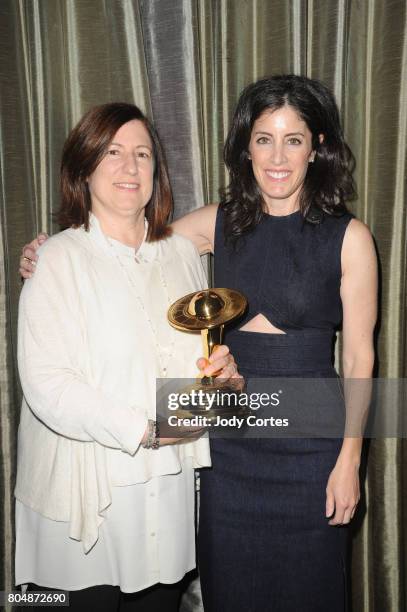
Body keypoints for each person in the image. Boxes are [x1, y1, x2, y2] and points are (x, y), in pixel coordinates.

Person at [20, 75, 377, 612]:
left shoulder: (350, 237)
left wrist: (350, 462)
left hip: (313, 450)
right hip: (228, 450)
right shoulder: (215, 223)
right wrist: (48, 249)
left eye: (293, 139)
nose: (277, 156)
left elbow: (358, 359)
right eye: (263, 138)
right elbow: (129, 242)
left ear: (317, 146)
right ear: (245, 147)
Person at [15, 102, 239, 612]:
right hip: (83, 509)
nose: (129, 166)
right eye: (112, 152)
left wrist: (221, 379)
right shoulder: (57, 258)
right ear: (84, 168)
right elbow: (48, 384)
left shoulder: (182, 254)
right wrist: (146, 429)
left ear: (158, 172)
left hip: (166, 501)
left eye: (142, 154)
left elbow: (189, 367)